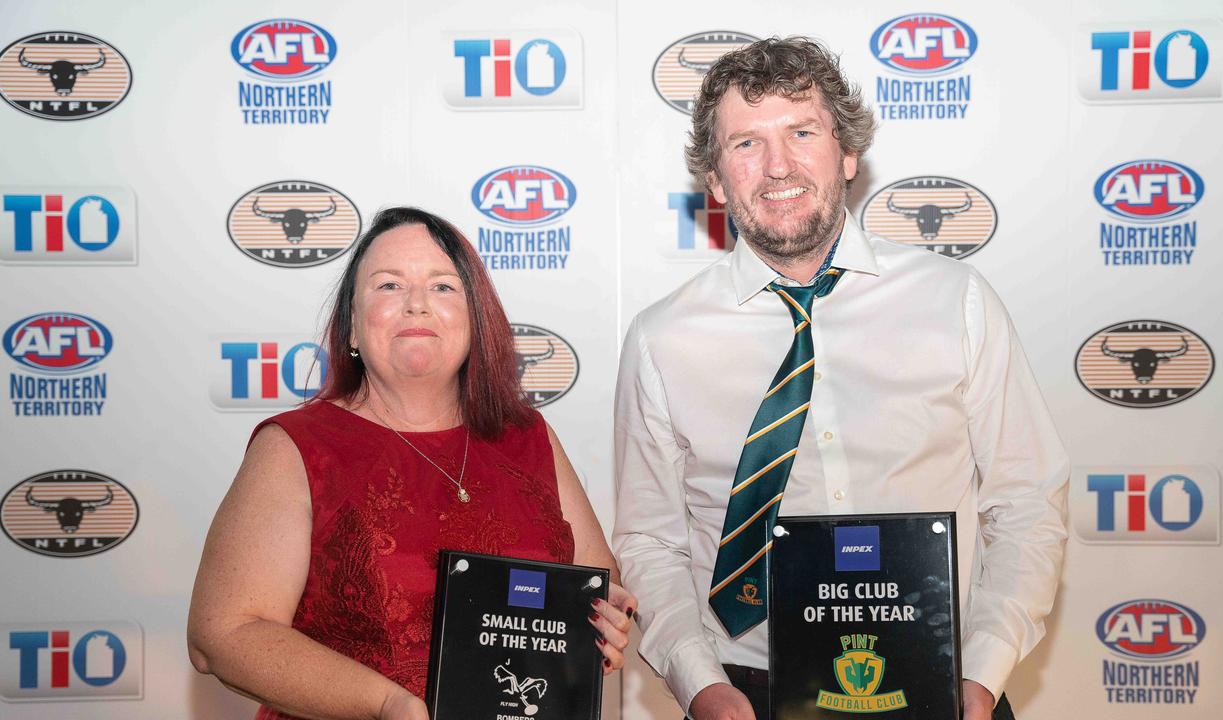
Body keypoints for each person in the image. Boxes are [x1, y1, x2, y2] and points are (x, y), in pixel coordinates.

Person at [613, 38, 1067, 720]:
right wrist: (700, 683)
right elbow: (650, 540)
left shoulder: (956, 301)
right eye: (745, 144)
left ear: (847, 152)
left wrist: (983, 674)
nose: (778, 166)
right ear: (714, 178)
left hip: (947, 683)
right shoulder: (662, 339)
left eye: (802, 132)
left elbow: (1028, 502)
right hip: (748, 692)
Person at [189, 207, 635, 720]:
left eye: (443, 287)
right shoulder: (297, 446)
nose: (417, 305)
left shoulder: (529, 437)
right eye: (388, 286)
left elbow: (596, 581)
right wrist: (387, 705)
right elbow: (223, 634)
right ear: (352, 328)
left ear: (475, 321)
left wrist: (601, 622)